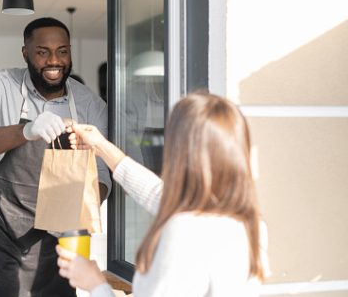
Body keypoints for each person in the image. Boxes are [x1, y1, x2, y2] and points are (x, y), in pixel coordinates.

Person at [57, 92, 269, 296]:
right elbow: (155, 193)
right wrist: (101, 146)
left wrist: (94, 284)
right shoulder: (249, 223)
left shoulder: (184, 230)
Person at [0, 17, 111, 297]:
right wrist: (26, 130)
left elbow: (102, 175)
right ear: (25, 53)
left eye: (62, 51)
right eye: (42, 52)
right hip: (3, 233)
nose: (54, 60)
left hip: (59, 241)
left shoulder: (90, 105)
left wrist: (76, 213)